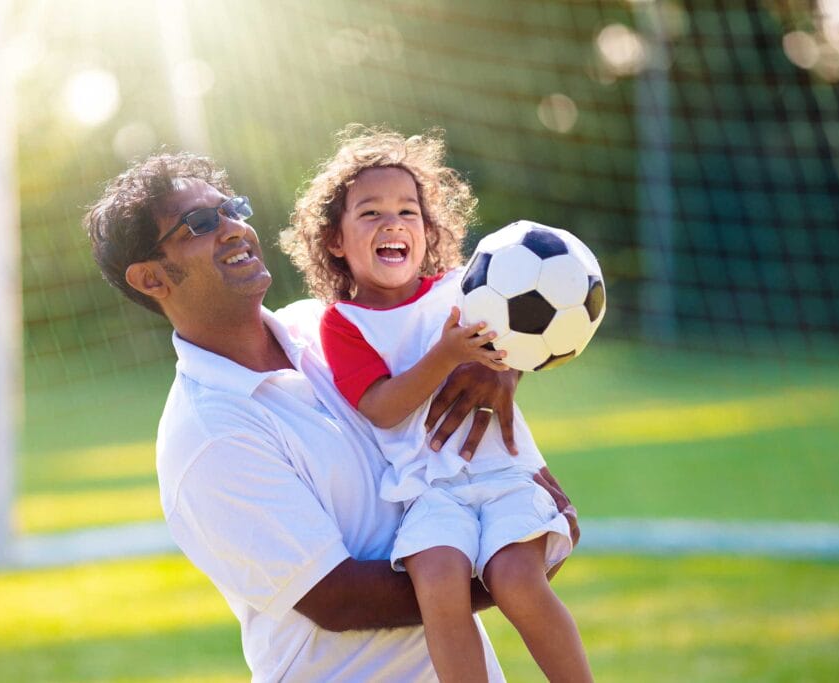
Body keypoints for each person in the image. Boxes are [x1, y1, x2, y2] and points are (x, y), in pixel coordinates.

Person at [83, 151, 580, 681]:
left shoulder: (326, 327)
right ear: (150, 278)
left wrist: (498, 373)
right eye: (200, 224)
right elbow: (339, 599)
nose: (233, 228)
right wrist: (516, 563)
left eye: (231, 208)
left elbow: (460, 331)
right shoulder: (208, 435)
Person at [280, 125, 592, 682]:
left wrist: (508, 369)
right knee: (438, 583)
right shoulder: (344, 324)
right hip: (426, 489)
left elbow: (520, 344)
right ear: (334, 241)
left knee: (517, 581)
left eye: (408, 211)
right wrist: (445, 357)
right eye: (370, 213)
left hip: (504, 474)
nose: (393, 223)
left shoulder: (467, 288)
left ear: (428, 230)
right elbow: (380, 406)